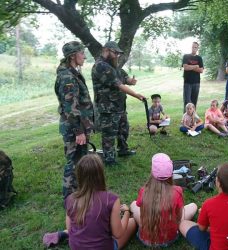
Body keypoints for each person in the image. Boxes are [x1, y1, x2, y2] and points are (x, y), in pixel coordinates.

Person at [43, 154, 137, 249]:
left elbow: (70, 228)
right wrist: (126, 212)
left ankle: (61, 234)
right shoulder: (111, 199)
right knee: (132, 222)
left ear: (79, 175)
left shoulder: (70, 199)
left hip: (76, 246)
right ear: (101, 174)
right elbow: (118, 234)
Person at [92, 41, 145, 165]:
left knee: (123, 129)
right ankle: (109, 159)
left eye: (118, 53)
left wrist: (130, 80)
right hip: (107, 107)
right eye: (115, 53)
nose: (117, 56)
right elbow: (119, 85)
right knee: (109, 134)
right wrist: (136, 95)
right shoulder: (100, 66)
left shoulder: (113, 66)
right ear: (106, 50)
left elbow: (123, 77)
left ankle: (123, 150)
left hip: (119, 106)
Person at [130, 153, 197, 247]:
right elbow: (179, 217)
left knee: (133, 204)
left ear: (152, 172)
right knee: (193, 206)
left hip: (145, 238)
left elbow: (142, 215)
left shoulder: (144, 191)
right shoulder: (177, 191)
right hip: (170, 238)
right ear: (171, 173)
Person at [54, 41, 94, 199]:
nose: (84, 56)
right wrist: (79, 131)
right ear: (72, 56)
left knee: (80, 161)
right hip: (74, 128)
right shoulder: (67, 77)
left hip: (78, 125)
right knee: (74, 162)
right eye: (81, 53)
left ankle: (79, 194)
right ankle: (69, 200)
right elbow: (70, 107)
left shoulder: (72, 73)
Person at [179, 163, 228, 250]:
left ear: (218, 183)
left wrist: (204, 214)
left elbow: (202, 228)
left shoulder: (209, 204)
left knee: (183, 224)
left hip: (215, 247)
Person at [182, 42, 204, 112]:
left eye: (195, 47)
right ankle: (185, 118)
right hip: (187, 82)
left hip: (196, 82)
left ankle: (193, 117)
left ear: (197, 48)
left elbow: (201, 70)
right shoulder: (186, 56)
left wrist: (190, 67)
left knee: (194, 101)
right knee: (187, 101)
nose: (193, 48)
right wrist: (195, 66)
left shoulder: (199, 58)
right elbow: (185, 67)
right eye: (192, 47)